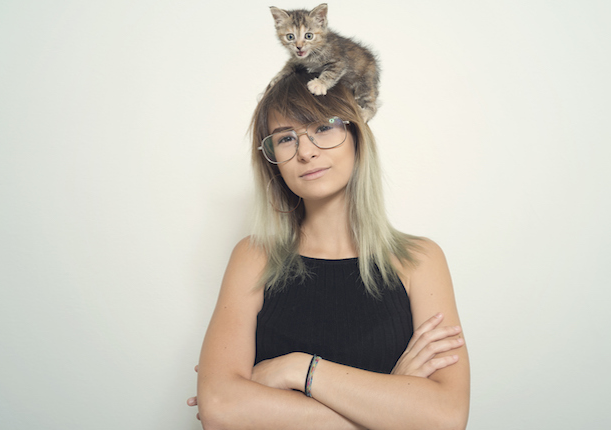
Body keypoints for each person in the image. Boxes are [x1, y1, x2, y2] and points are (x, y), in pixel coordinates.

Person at [187, 70, 470, 429]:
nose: (305, 151)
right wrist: (390, 406)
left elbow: (446, 418)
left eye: (323, 127)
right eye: (286, 138)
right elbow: (221, 407)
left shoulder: (419, 261)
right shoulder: (253, 258)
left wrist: (296, 369)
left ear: (356, 136)